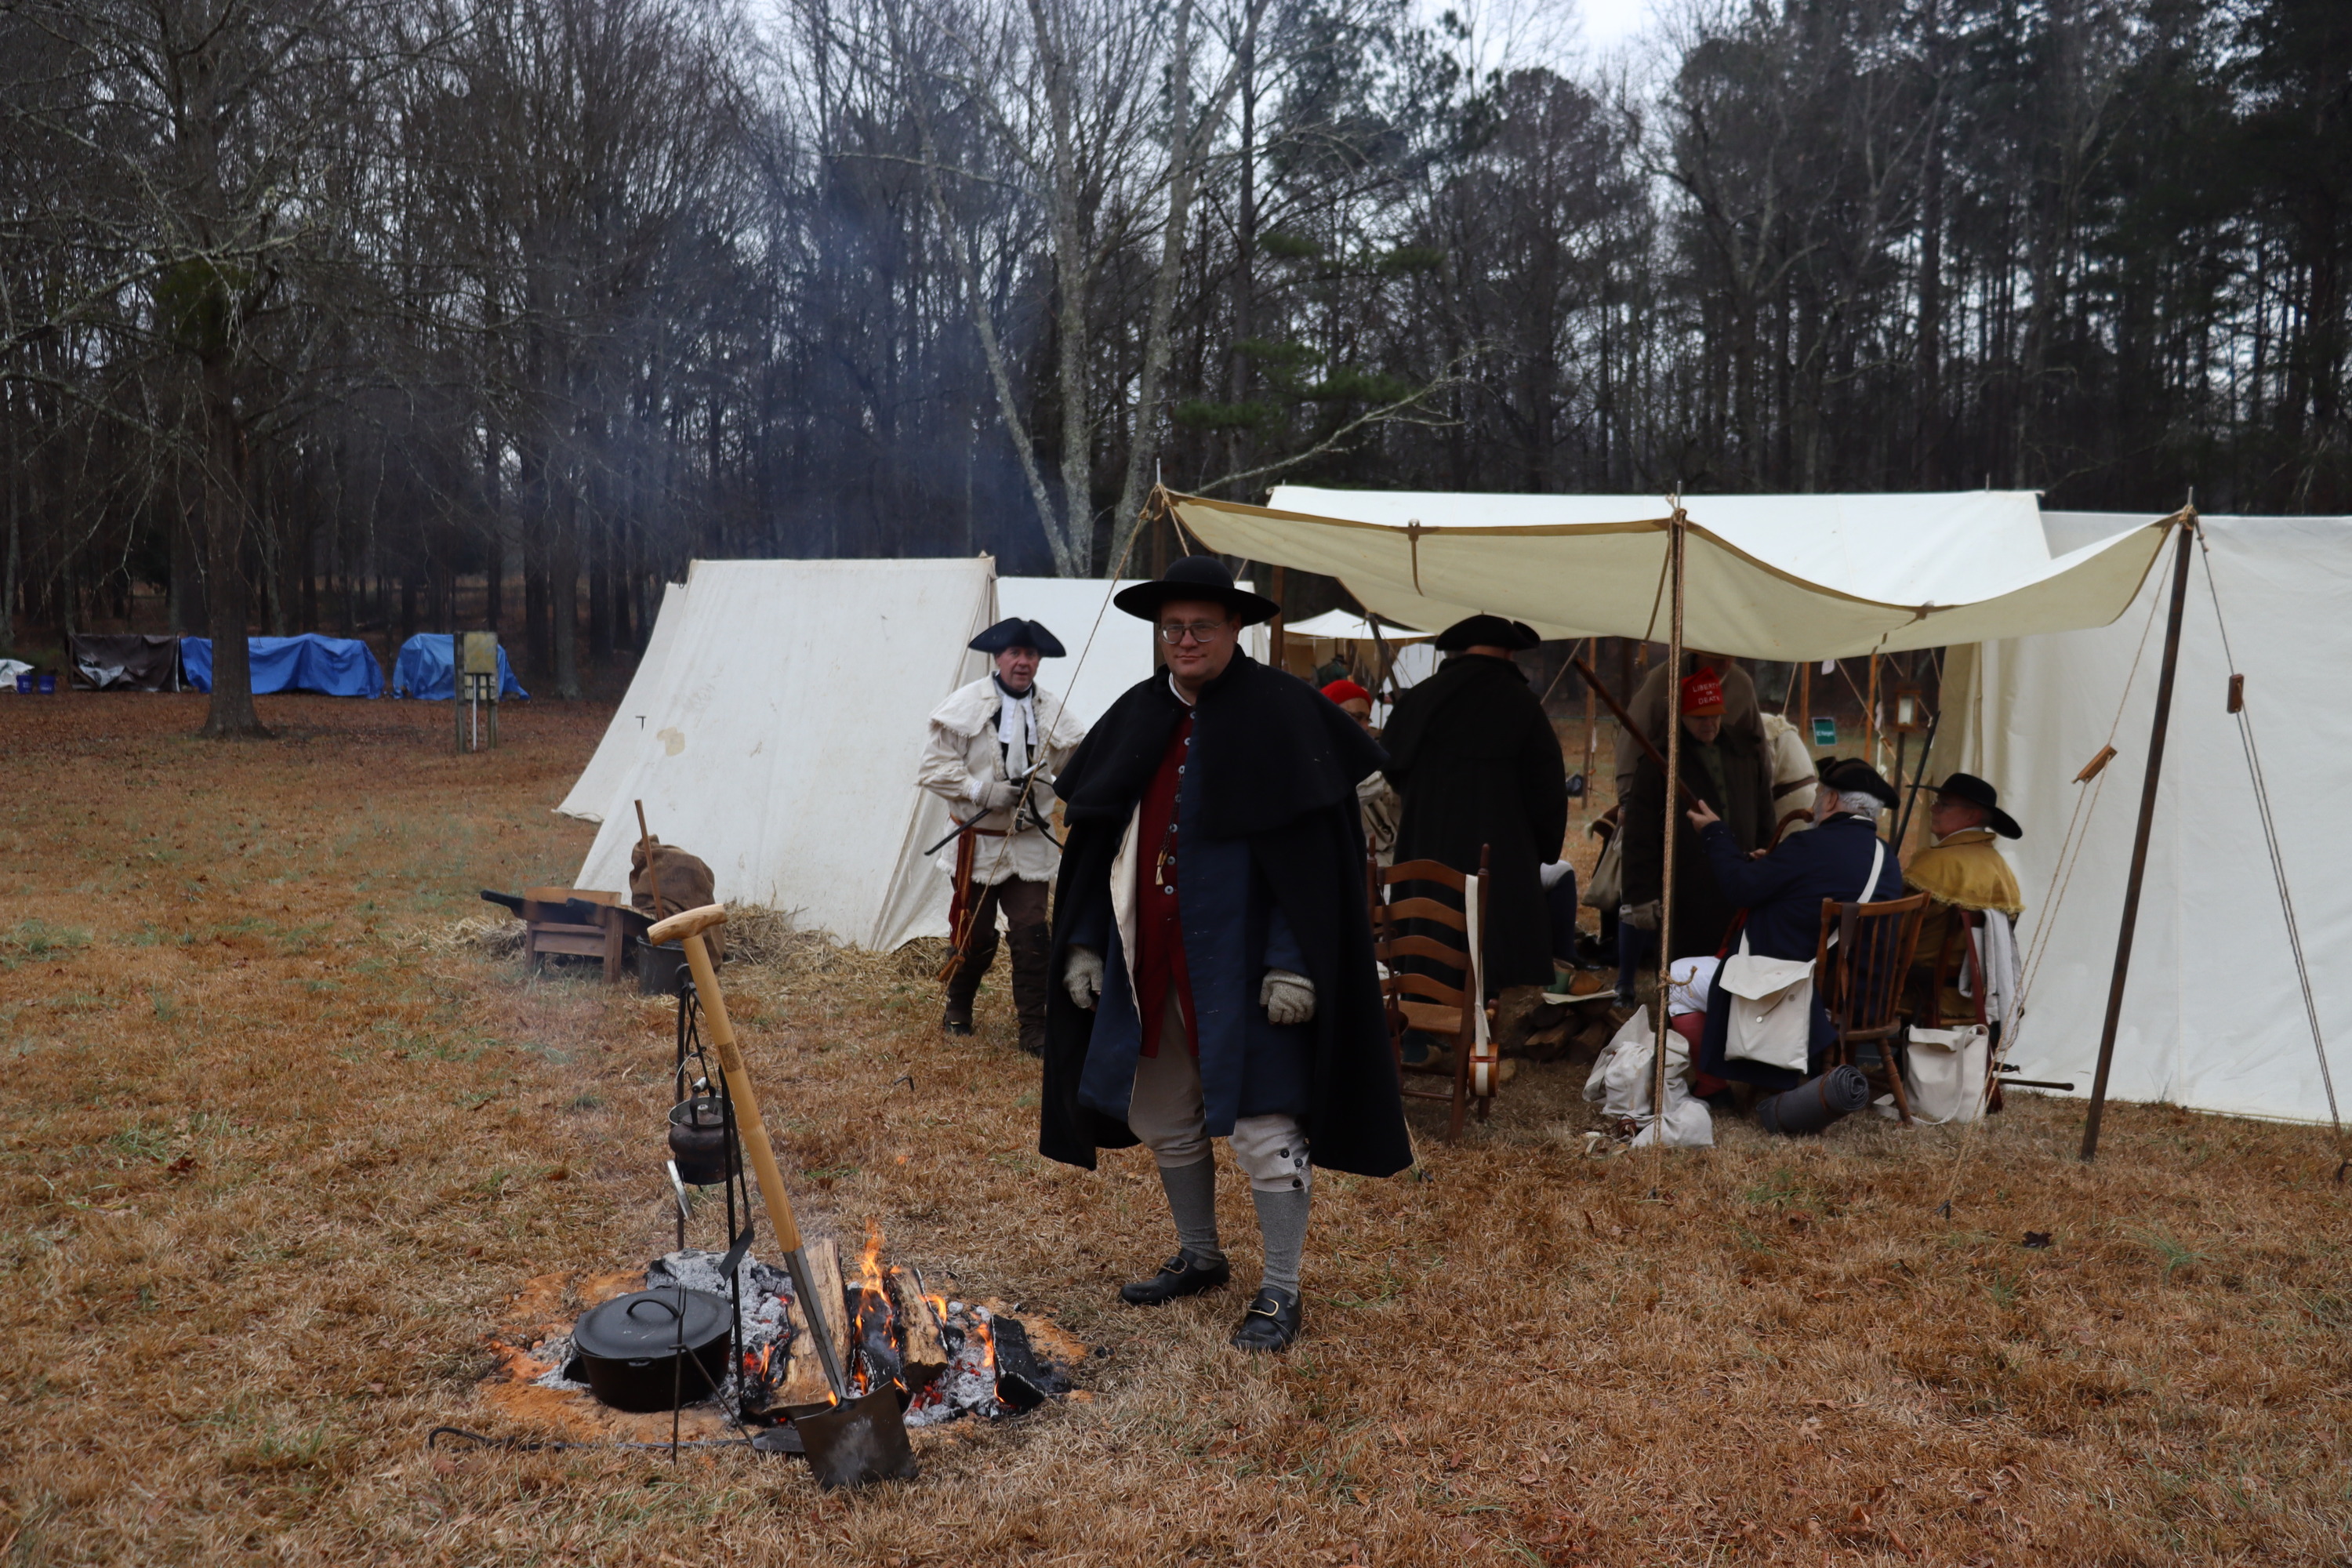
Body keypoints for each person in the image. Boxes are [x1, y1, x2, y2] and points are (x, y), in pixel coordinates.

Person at [1041, 556, 1409, 1354]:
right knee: (1163, 1111)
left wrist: (1293, 962)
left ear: (1235, 628)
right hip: (1152, 961)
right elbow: (1100, 848)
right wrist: (1083, 945)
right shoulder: (1137, 713)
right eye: (1172, 626)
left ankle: (1280, 1289)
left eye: (1202, 625)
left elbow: (1312, 868)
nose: (1185, 639)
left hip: (1246, 969)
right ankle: (1202, 1256)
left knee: (1265, 1126)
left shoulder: (1285, 715)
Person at [1686, 757, 1907, 1094]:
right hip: (1864, 998)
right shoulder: (1886, 858)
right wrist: (1773, 866)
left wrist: (1716, 834)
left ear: (1832, 800)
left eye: (1820, 793)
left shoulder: (1809, 845)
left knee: (1677, 979)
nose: (1816, 802)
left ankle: (1712, 1089)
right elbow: (1811, 885)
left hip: (1801, 995)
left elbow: (1740, 888)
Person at [919, 616, 1088, 1055]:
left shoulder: (1053, 708)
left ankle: (1035, 1029)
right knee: (974, 935)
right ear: (999, 657)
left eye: (1031, 655)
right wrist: (982, 790)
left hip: (1029, 841)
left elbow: (1077, 765)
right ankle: (958, 1007)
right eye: (1015, 653)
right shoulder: (965, 704)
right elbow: (933, 769)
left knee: (1033, 934)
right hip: (977, 841)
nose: (1023, 662)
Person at [1380, 615, 1570, 997]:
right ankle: (1480, 1032)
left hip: (1427, 844)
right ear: (1509, 651)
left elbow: (1390, 763)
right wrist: (1542, 846)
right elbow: (1547, 789)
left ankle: (1418, 1031)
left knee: (1426, 938)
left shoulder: (1420, 698)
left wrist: (1426, 803)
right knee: (1488, 948)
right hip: (1498, 853)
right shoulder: (1523, 705)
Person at [1620, 666, 1772, 964]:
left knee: (1737, 962)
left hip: (1740, 876)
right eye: (1700, 717)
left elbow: (1765, 811)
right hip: (1685, 885)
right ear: (1682, 716)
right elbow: (1640, 830)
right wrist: (1640, 894)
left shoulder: (1744, 753)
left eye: (1715, 715)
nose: (1710, 723)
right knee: (1684, 969)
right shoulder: (1661, 760)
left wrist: (1769, 855)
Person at [1904, 772, 2025, 1026]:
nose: (1933, 808)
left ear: (1972, 816)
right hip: (1976, 992)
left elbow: (1896, 927)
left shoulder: (1936, 863)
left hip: (1917, 988)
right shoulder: (1999, 866)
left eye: (1944, 804)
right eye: (1937, 801)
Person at [1321, 677, 1400, 866]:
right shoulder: (1316, 760)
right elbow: (1349, 793)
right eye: (1357, 717)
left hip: (1388, 862)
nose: (1365, 727)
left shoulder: (1358, 758)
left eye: (1367, 719)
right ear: (1331, 714)